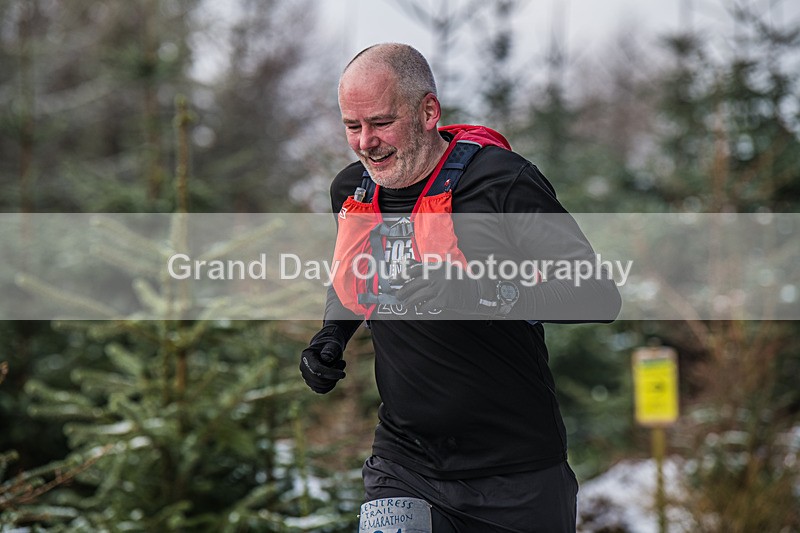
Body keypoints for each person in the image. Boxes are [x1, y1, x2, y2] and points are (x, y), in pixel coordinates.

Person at [299, 43, 621, 532]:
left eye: (381, 123)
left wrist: (481, 292)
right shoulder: (353, 190)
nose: (366, 142)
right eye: (352, 126)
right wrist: (331, 336)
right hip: (404, 464)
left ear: (429, 111)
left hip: (517, 474)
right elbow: (353, 275)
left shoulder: (503, 182)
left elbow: (597, 295)